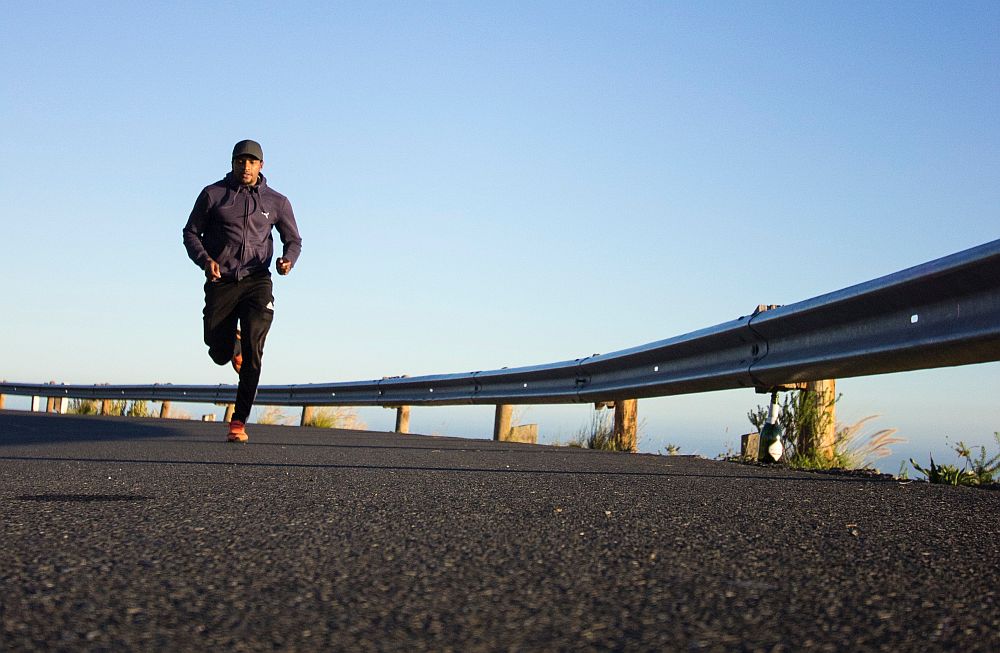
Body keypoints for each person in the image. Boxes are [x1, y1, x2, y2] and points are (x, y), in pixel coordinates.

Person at [182, 140, 302, 442]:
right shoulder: (213, 195)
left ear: (261, 166)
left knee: (254, 349)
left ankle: (238, 421)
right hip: (221, 280)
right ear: (233, 163)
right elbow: (190, 233)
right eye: (240, 161)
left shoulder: (277, 201)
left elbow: (294, 240)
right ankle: (229, 346)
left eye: (252, 162)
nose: (245, 167)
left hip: (257, 281)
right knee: (218, 351)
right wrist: (206, 261)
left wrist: (288, 260)